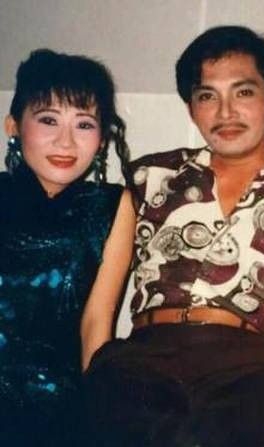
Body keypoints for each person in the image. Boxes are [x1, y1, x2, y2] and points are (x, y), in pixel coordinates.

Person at [84, 26, 264, 447]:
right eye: (207, 96)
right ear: (191, 109)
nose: (225, 112)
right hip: (144, 359)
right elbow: (101, 304)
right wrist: (94, 372)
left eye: (244, 92)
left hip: (258, 367)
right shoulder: (150, 178)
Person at [0, 49, 135, 445]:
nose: (66, 141)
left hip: (59, 402)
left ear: (102, 138)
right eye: (48, 120)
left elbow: (96, 324)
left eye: (84, 124)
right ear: (13, 125)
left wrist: (98, 414)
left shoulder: (113, 206)